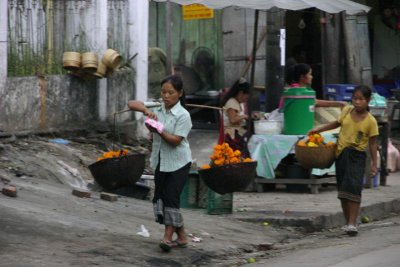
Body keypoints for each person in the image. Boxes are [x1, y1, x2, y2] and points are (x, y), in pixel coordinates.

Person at [127, 75, 192, 252]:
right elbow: (131, 103)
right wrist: (146, 112)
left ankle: (167, 237)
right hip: (160, 160)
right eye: (163, 92)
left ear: (180, 94)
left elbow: (176, 141)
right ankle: (183, 237)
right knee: (161, 196)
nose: (166, 96)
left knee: (171, 197)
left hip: (179, 162)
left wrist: (159, 130)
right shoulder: (158, 107)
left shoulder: (184, 115)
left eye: (171, 92)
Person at [308, 85, 379, 236]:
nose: (357, 102)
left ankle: (352, 223)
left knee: (353, 188)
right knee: (343, 190)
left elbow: (373, 143)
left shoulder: (371, 121)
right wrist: (319, 130)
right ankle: (348, 222)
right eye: (355, 98)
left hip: (357, 156)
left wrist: (374, 163)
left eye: (361, 99)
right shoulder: (347, 111)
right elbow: (336, 123)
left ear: (368, 101)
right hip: (341, 154)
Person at [280, 63, 347, 109]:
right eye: (309, 74)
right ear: (302, 77)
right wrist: (339, 103)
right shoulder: (296, 90)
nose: (311, 77)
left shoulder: (304, 89)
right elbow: (315, 102)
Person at [220, 78, 250, 157]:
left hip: (237, 132)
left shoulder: (238, 102)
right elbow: (233, 119)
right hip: (231, 136)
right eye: (246, 98)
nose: (245, 100)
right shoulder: (231, 103)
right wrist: (245, 116)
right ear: (240, 93)